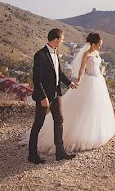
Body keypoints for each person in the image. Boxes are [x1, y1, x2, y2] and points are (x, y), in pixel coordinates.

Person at [26, 28, 78, 163]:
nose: (62, 42)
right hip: (44, 96)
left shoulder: (55, 53)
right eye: (61, 40)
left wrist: (69, 83)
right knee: (38, 124)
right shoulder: (40, 55)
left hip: (56, 93)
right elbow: (36, 79)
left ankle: (60, 152)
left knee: (59, 120)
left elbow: (58, 73)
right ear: (55, 40)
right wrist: (43, 97)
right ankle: (32, 155)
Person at [60, 32, 115, 152]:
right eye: (99, 44)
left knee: (98, 107)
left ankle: (97, 132)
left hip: (99, 80)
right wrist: (79, 80)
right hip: (90, 81)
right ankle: (84, 135)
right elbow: (82, 69)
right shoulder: (87, 54)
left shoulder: (96, 53)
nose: (100, 46)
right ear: (94, 43)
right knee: (87, 107)